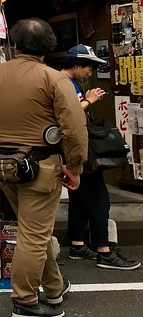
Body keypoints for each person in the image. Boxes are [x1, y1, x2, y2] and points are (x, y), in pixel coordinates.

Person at [0, 18, 88, 317]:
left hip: (2, 165)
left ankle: (54, 288)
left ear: (15, 44)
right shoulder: (54, 78)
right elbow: (74, 128)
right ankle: (24, 300)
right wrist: (74, 165)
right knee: (35, 234)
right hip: (40, 166)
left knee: (33, 230)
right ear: (49, 46)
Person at [61, 45, 140, 270]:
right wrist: (89, 100)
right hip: (78, 149)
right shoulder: (63, 83)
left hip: (75, 149)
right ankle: (104, 251)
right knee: (99, 199)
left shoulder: (67, 82)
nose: (90, 71)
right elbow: (69, 115)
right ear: (76, 64)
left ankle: (77, 243)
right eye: (89, 66)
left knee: (79, 197)